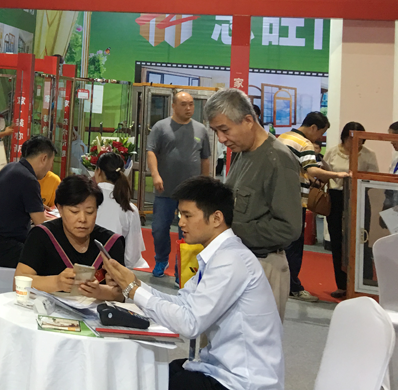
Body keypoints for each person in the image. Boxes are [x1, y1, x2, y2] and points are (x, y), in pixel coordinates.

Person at [102, 177, 284, 390]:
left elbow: (190, 324)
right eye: (180, 215)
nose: (181, 223)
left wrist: (134, 290)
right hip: (220, 369)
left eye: (187, 215)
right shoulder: (220, 255)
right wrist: (135, 285)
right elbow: (182, 303)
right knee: (151, 373)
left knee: (148, 379)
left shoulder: (231, 260)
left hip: (241, 382)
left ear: (216, 218)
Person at [205, 88, 301, 322]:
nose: (221, 139)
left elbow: (288, 228)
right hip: (236, 261)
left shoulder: (277, 159)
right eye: (216, 131)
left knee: (251, 340)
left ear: (248, 121)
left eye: (225, 130)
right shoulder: (242, 152)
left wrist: (229, 231)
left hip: (262, 266)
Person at [15, 175, 125, 299]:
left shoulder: (110, 243)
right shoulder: (42, 236)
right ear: (60, 209)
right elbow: (18, 282)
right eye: (74, 211)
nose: (82, 219)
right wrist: (56, 282)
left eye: (90, 212)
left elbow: (121, 295)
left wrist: (100, 291)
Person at [278, 112, 347, 302]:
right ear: (314, 127)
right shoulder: (304, 143)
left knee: (281, 244)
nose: (319, 138)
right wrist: (338, 175)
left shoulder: (283, 137)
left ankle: (280, 283)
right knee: (295, 244)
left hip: (278, 197)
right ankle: (293, 287)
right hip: (294, 199)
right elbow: (312, 169)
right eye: (320, 133)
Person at [146, 90, 211, 277]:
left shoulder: (201, 130)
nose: (189, 108)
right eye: (184, 104)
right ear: (173, 106)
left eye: (191, 104)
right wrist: (155, 174)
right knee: (159, 229)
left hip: (191, 194)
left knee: (188, 232)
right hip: (165, 190)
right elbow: (151, 152)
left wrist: (204, 183)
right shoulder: (161, 127)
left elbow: (205, 158)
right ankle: (161, 259)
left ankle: (182, 271)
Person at [0, 135, 55, 268]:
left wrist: (36, 205)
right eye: (51, 162)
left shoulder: (9, 168)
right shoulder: (29, 180)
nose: (50, 168)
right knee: (50, 259)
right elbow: (41, 224)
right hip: (4, 248)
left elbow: (12, 201)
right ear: (44, 158)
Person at [323, 121, 377, 299]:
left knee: (361, 240)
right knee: (337, 240)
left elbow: (374, 178)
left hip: (360, 197)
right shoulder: (332, 152)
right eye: (351, 139)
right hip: (337, 197)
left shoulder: (368, 155)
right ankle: (341, 284)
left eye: (360, 140)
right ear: (344, 137)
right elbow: (325, 173)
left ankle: (362, 283)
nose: (355, 143)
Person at [94, 152, 148, 269]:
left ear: (98, 171)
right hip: (114, 271)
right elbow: (131, 258)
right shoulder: (129, 209)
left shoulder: (85, 199)